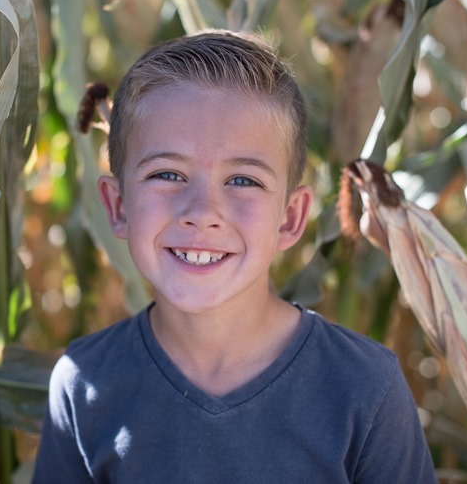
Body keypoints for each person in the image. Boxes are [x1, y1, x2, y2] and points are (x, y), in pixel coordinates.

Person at [32, 30, 435, 482]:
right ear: (118, 206)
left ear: (290, 217)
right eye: (168, 173)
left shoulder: (364, 388)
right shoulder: (83, 385)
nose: (203, 213)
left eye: (243, 180)